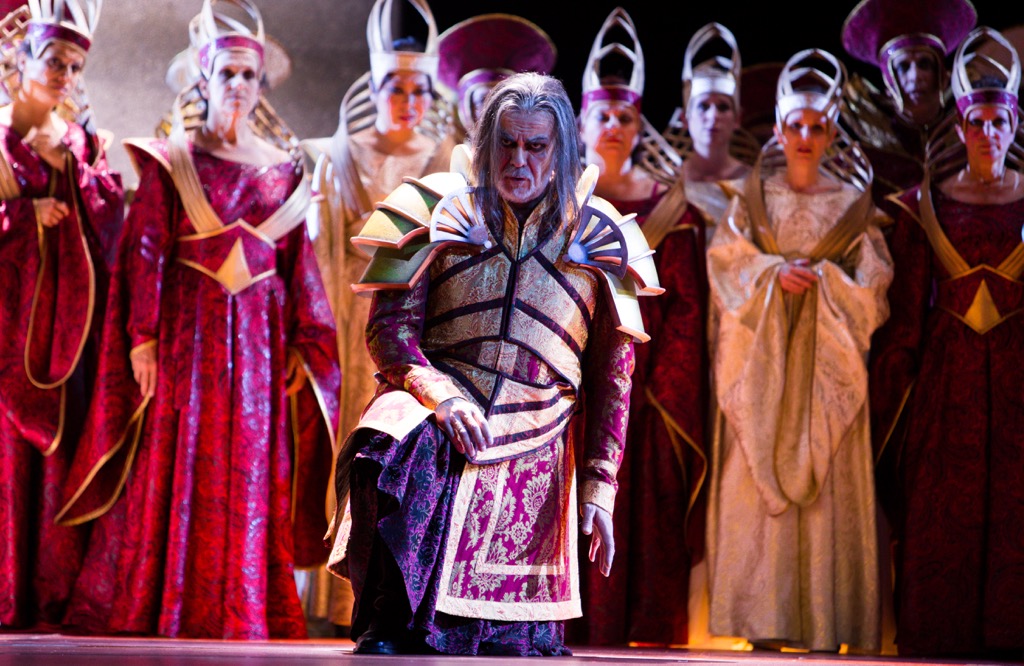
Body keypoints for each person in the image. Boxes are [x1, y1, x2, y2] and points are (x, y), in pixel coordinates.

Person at [324, 71, 661, 656]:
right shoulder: (432, 210)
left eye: (535, 146)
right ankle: (388, 618)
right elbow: (389, 331)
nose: (518, 160)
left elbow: (613, 376)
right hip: (441, 401)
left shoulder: (602, 238)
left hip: (541, 422)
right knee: (392, 439)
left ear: (560, 151)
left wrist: (600, 487)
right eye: (506, 143)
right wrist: (439, 394)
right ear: (485, 144)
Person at [55, 0, 340, 639]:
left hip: (261, 353)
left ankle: (244, 606)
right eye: (226, 73)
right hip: (189, 342)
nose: (237, 84)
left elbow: (301, 268)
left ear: (260, 86)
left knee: (252, 468)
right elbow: (146, 251)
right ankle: (172, 602)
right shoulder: (172, 160)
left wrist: (306, 343)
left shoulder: (284, 172)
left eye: (248, 75)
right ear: (203, 80)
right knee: (179, 465)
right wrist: (142, 339)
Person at [705, 49, 893, 652]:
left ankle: (823, 624)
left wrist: (828, 283)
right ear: (780, 131)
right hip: (766, 366)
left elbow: (874, 286)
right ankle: (766, 623)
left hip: (826, 369)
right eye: (796, 126)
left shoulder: (852, 204)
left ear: (832, 133)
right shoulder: (753, 201)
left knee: (828, 484)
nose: (806, 138)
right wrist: (770, 275)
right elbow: (726, 266)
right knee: (758, 481)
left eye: (817, 127)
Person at [869, 27, 1024, 658]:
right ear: (960, 128)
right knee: (942, 512)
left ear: (1014, 126)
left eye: (998, 122)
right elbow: (904, 315)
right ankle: (938, 641)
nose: (987, 134)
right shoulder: (923, 206)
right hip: (947, 387)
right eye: (977, 123)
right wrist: (894, 398)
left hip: (1016, 386)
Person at [299, 0, 453, 636]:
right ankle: (340, 602)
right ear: (374, 85)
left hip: (422, 331)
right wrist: (316, 332)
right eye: (396, 86)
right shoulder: (340, 157)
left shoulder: (448, 158)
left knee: (410, 457)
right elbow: (320, 250)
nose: (409, 101)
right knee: (349, 450)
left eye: (420, 89)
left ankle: (403, 598)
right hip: (349, 320)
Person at [571, 7, 705, 647]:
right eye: (602, 116)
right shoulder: (560, 201)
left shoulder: (669, 208)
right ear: (581, 122)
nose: (614, 128)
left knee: (643, 504)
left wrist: (659, 388)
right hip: (569, 380)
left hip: (644, 390)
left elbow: (685, 307)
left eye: (625, 117)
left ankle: (639, 632)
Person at [0, 0, 123, 629]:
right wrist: (23, 217)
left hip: (63, 334)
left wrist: (70, 169)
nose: (65, 77)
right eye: (54, 61)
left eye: (75, 66)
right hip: (5, 325)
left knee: (54, 459)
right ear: (22, 58)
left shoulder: (80, 141)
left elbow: (114, 222)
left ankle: (46, 594)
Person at [840, 0, 977, 211]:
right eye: (903, 67)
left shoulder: (973, 136)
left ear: (942, 75)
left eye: (924, 64)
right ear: (888, 82)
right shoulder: (866, 153)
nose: (915, 76)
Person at [660, 23, 753, 239]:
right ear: (685, 118)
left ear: (738, 118)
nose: (713, 116)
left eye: (723, 107)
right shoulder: (667, 182)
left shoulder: (754, 183)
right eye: (703, 106)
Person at [436, 13, 556, 144]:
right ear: (466, 108)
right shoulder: (444, 150)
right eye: (482, 100)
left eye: (504, 99)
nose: (495, 108)